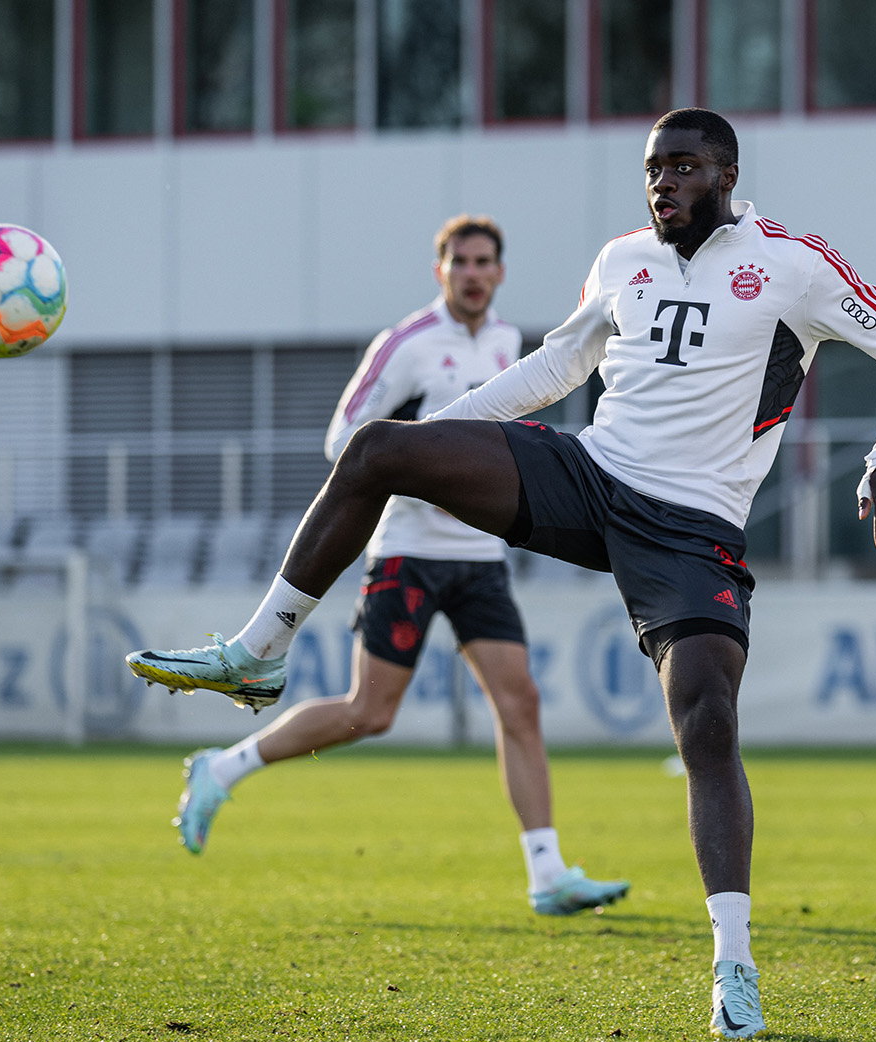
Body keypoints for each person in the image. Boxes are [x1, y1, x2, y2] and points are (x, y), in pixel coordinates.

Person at [127, 108, 876, 1039]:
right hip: (591, 478)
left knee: (708, 723)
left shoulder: (792, 262)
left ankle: (733, 964)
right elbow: (562, 362)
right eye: (651, 170)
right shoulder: (623, 257)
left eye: (681, 168)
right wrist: (443, 443)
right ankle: (258, 650)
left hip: (692, 529)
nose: (661, 184)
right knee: (376, 449)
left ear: (726, 172)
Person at [154, 216, 630, 919]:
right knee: (370, 713)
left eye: (483, 262)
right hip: (407, 553)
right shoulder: (406, 345)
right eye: (460, 261)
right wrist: (422, 456)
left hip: (479, 556)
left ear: (499, 273)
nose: (472, 272)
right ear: (440, 270)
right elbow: (344, 442)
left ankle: (547, 870)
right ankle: (222, 767)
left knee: (519, 703)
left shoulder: (506, 343)